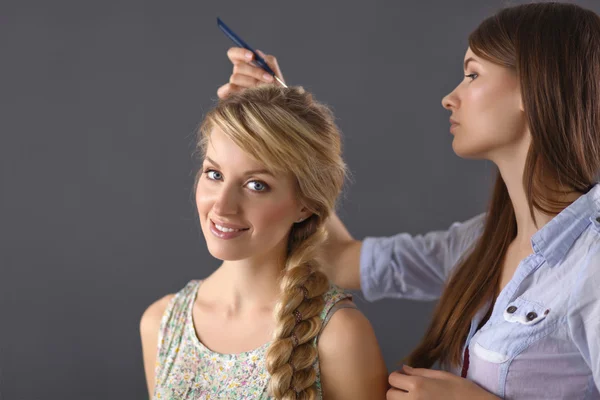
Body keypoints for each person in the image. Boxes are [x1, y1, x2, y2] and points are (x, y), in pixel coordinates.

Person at [217, 3, 600, 399]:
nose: (450, 98)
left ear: (532, 88)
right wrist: (287, 124)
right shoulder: (480, 243)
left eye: (472, 75)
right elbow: (338, 258)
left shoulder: (592, 265)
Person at [139, 85, 388, 399]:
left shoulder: (339, 336)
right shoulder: (161, 323)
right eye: (214, 174)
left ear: (305, 205)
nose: (222, 206)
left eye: (256, 185)